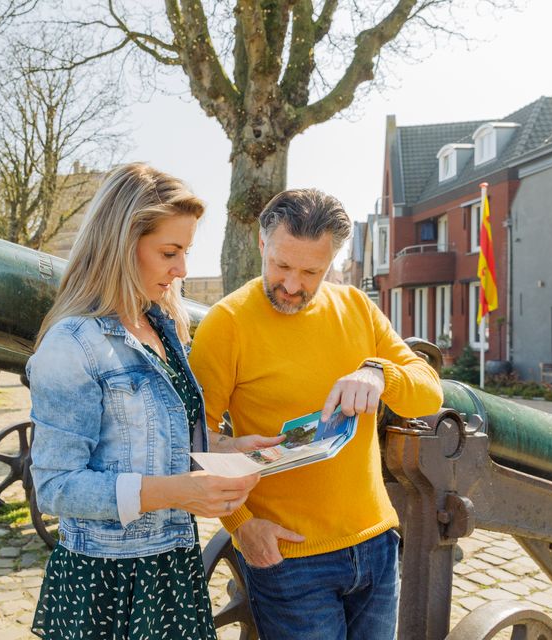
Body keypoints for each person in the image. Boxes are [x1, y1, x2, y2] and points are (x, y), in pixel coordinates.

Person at [26, 163, 280, 640]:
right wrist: (175, 492)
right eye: (170, 251)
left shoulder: (165, 326)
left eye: (184, 251)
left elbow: (159, 445)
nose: (182, 269)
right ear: (123, 246)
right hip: (107, 584)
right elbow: (57, 488)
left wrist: (227, 450)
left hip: (172, 570)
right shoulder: (71, 344)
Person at [188, 189, 443, 640]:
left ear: (333, 262)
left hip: (377, 544)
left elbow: (429, 396)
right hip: (288, 557)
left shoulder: (358, 308)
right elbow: (195, 443)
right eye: (282, 266)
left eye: (311, 272)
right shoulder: (226, 324)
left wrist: (379, 374)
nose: (291, 285)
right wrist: (242, 527)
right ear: (262, 245)